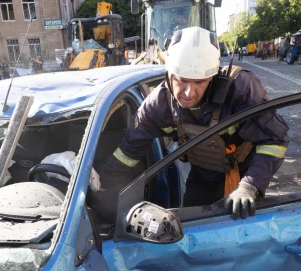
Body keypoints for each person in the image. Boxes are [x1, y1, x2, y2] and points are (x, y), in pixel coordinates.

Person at [95, 27, 289, 221]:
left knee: (240, 232)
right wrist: (103, 185)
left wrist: (250, 186)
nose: (189, 93)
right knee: (191, 227)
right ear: (169, 74)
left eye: (199, 82)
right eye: (182, 81)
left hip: (245, 173)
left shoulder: (241, 91)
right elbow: (129, 151)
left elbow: (274, 141)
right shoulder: (158, 105)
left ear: (213, 77)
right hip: (202, 174)